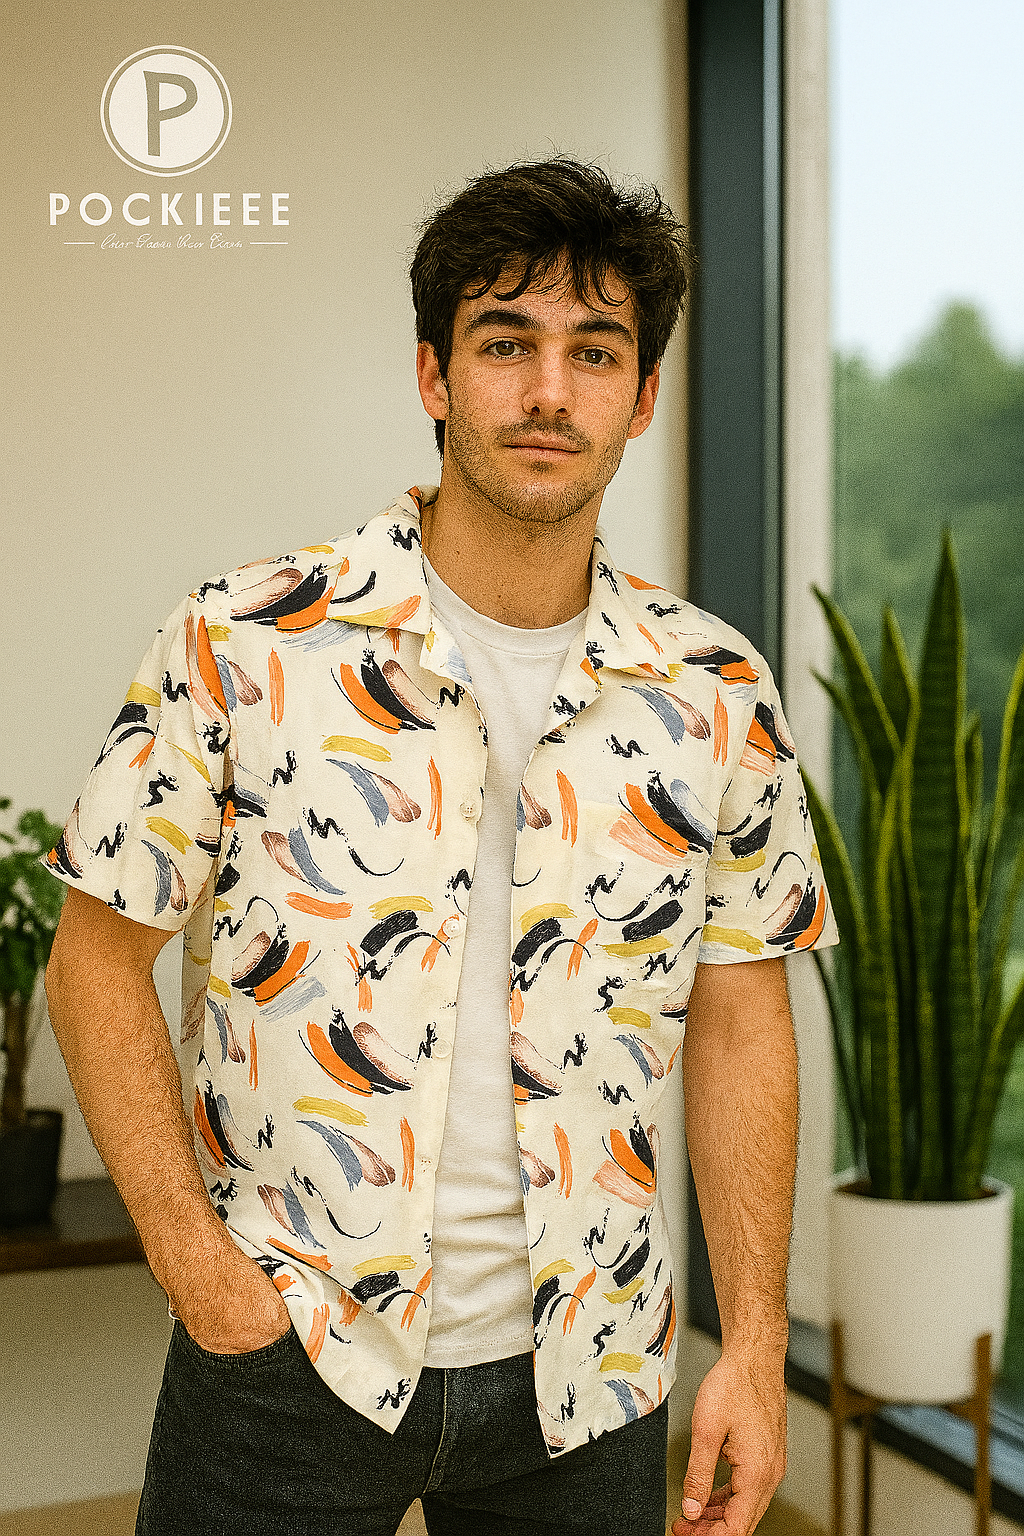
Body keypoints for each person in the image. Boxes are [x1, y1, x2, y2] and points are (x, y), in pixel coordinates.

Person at [44, 159, 837, 1536]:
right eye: (505, 343)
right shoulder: (243, 640)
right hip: (288, 1352)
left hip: (590, 1372)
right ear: (434, 374)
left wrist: (755, 1347)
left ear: (644, 395)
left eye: (596, 352)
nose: (550, 392)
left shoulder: (718, 691)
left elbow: (741, 1017)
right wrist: (198, 1267)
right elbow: (94, 961)